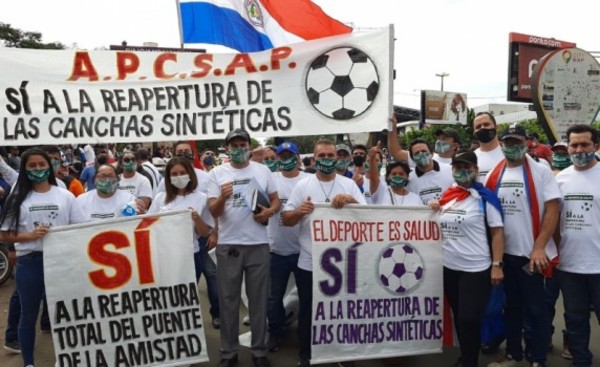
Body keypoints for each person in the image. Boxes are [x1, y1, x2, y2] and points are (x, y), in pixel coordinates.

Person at [282, 138, 366, 367]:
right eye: (322, 156)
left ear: (337, 158)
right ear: (314, 159)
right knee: (309, 310)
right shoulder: (303, 186)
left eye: (331, 156)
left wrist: (351, 201)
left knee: (342, 310)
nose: (327, 160)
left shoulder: (348, 185)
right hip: (309, 261)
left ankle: (342, 353)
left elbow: (368, 217)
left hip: (344, 263)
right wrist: (300, 211)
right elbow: (286, 219)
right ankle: (306, 355)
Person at [0, 148, 87, 367]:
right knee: (28, 315)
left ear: (49, 167)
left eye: (41, 165)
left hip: (62, 261)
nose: (38, 169)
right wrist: (29, 236)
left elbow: (81, 228)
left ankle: (67, 358)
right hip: (30, 263)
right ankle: (29, 362)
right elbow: (5, 234)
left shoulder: (65, 195)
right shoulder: (18, 196)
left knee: (64, 314)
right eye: (32, 166)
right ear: (24, 169)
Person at [485, 123, 560, 367]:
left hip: (532, 255)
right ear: (502, 143)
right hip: (506, 255)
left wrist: (539, 247)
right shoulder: (493, 175)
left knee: (536, 310)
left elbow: (552, 209)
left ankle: (537, 358)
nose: (512, 146)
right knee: (512, 309)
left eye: (518, 142)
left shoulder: (541, 170)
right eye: (508, 142)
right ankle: (513, 354)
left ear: (527, 143)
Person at [208, 128, 280, 367]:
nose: (239, 149)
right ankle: (228, 353)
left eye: (242, 144)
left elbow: (275, 200)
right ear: (227, 148)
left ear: (249, 146)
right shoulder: (217, 173)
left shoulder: (262, 170)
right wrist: (221, 197)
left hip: (258, 243)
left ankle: (259, 351)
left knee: (259, 300)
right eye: (234, 145)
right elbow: (213, 211)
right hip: (229, 244)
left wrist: (269, 211)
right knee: (228, 300)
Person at [436, 149, 505, 367]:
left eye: (467, 167)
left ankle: (470, 361)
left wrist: (497, 265)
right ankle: (466, 356)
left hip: (476, 268)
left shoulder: (484, 198)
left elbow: (497, 233)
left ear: (476, 170)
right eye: (458, 167)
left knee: (469, 318)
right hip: (449, 267)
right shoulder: (448, 196)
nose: (462, 171)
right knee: (459, 316)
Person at [554, 124, 600, 367]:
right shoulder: (560, 179)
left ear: (596, 146)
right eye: (574, 145)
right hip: (570, 266)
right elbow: (553, 222)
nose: (579, 149)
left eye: (585, 144)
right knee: (575, 319)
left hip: (599, 266)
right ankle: (582, 362)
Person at [266, 141, 307, 353]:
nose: (286, 159)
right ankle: (275, 332)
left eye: (291, 155)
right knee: (273, 299)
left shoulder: (309, 180)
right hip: (276, 251)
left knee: (307, 298)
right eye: (282, 156)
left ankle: (305, 336)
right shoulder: (270, 180)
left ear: (299, 157)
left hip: (305, 251)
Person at [148, 157, 214, 286]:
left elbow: (205, 232)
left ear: (190, 174)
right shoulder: (160, 198)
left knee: (188, 294)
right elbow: (148, 225)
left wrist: (197, 219)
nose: (179, 177)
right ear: (168, 177)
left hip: (190, 256)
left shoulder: (201, 198)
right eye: (174, 174)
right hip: (165, 256)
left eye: (182, 173)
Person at [76, 164, 141, 220]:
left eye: (111, 176)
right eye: (103, 176)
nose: (107, 179)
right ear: (94, 179)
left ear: (117, 179)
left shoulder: (129, 200)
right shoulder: (81, 201)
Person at [407, 138, 454, 205]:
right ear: (412, 158)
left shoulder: (450, 170)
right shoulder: (409, 179)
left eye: (424, 151)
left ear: (432, 153)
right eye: (417, 153)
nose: (421, 154)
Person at [473, 112, 504, 182]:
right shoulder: (471, 157)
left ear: (497, 128)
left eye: (486, 124)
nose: (482, 128)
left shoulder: (509, 154)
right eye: (478, 127)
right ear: (474, 133)